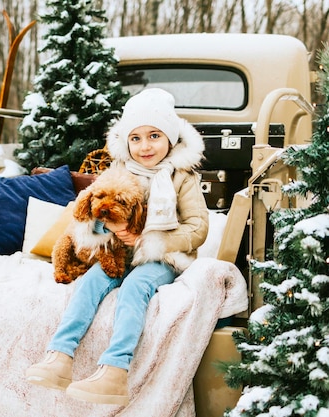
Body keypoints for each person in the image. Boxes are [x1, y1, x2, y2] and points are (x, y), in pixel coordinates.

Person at [25, 88, 209, 405]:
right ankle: (60, 356)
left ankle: (115, 370)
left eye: (154, 135)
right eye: (135, 138)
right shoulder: (119, 172)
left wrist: (149, 240)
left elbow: (198, 226)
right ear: (125, 141)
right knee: (91, 282)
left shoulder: (181, 176)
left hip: (161, 257)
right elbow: (93, 214)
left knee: (135, 288)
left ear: (170, 136)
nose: (145, 146)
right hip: (118, 254)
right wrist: (106, 226)